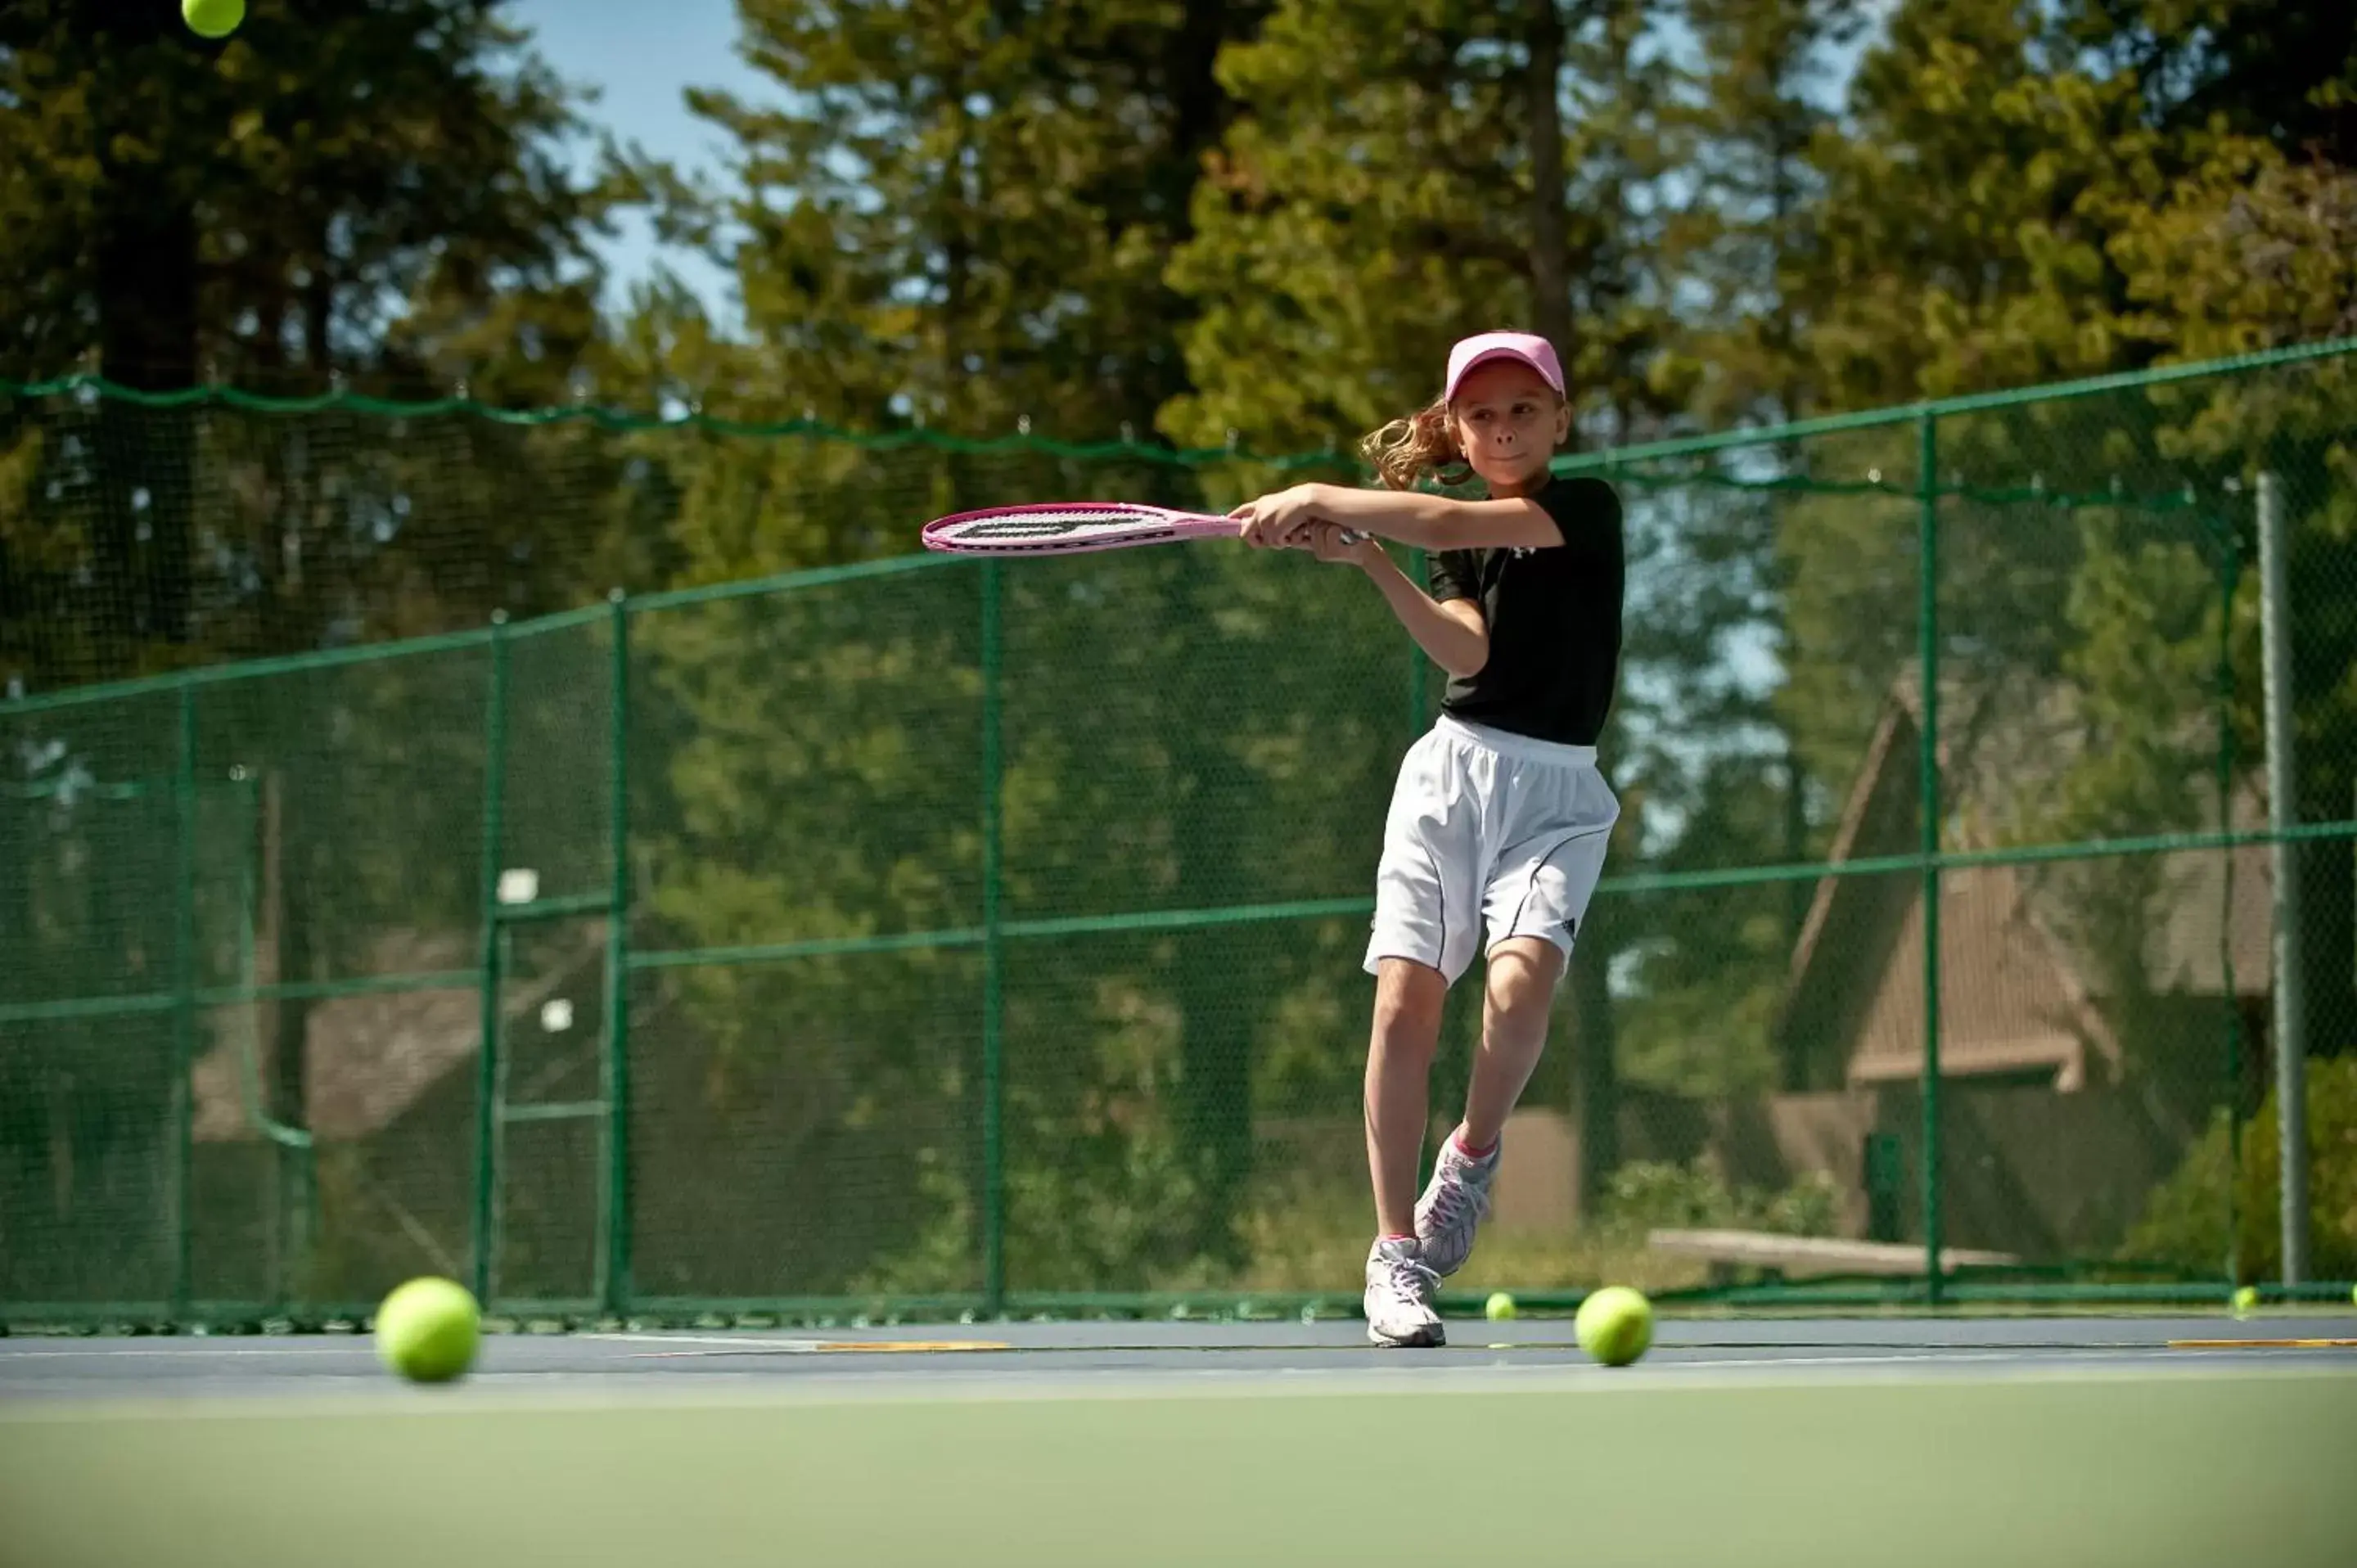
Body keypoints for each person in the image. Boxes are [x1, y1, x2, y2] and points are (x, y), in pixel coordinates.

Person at [1231, 331, 1625, 1346]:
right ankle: (1395, 1250)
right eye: (1482, 413)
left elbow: (1444, 509)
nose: (1503, 427)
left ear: (1559, 421)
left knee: (1522, 983)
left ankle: (1474, 1153)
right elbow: (1468, 647)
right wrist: (1369, 562)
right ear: (1456, 424)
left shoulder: (1585, 509)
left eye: (1523, 409)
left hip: (1560, 793)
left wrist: (1325, 495)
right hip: (1452, 775)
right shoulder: (1459, 540)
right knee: (1407, 1001)